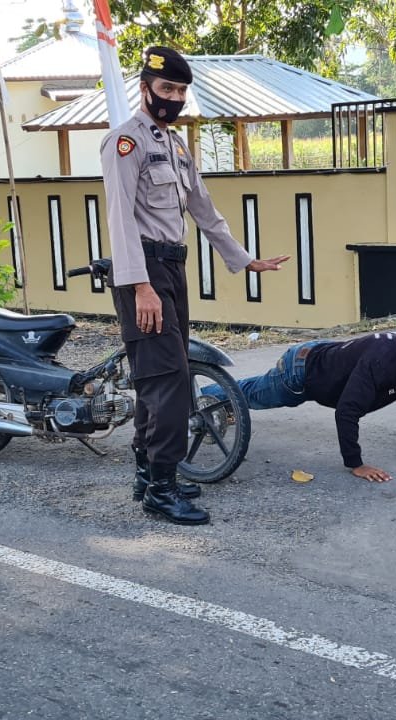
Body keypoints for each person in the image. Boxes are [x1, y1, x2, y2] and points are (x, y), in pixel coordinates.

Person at [101, 46, 290, 525]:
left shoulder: (175, 144)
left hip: (172, 270)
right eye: (166, 89)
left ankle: (149, 473)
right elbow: (121, 219)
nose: (174, 98)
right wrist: (140, 286)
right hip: (143, 272)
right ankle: (161, 491)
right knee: (166, 380)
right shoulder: (127, 142)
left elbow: (203, 209)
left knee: (166, 374)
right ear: (145, 89)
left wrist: (245, 260)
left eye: (181, 91)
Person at [202, 329, 396, 482]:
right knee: (252, 395)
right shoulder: (380, 364)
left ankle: (217, 401)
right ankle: (196, 397)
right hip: (302, 371)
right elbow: (347, 411)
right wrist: (356, 464)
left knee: (250, 393)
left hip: (328, 355)